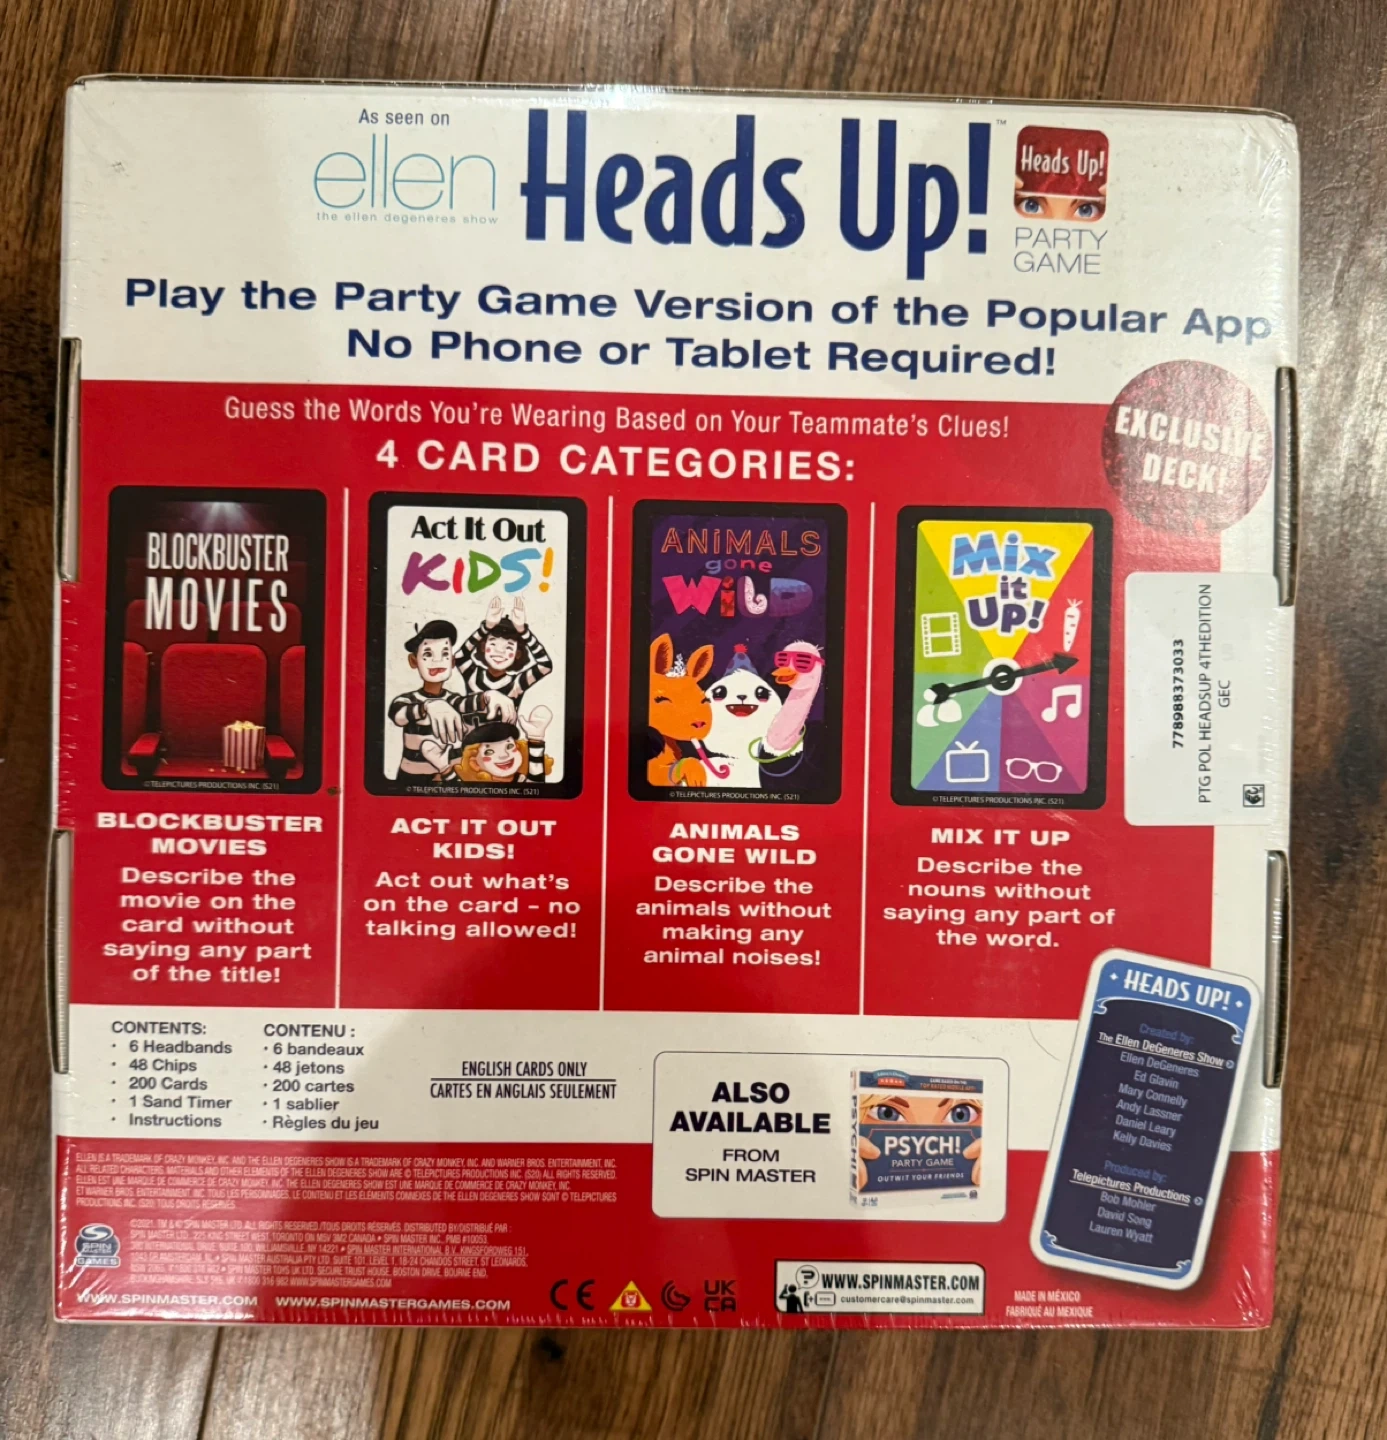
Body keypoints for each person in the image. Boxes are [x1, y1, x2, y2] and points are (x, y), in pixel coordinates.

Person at [388, 619, 514, 784]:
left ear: (452, 662)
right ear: (413, 661)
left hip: (452, 779)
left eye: (445, 654)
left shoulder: (452, 699)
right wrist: (427, 707)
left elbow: (467, 703)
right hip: (413, 781)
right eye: (428, 654)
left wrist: (489, 696)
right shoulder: (407, 700)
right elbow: (398, 715)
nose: (438, 661)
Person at [454, 595, 554, 712]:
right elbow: (459, 657)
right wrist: (485, 628)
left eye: (509, 647)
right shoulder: (472, 673)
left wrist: (524, 632)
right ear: (483, 647)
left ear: (517, 654)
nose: (500, 651)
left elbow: (545, 666)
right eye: (493, 644)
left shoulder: (516, 684)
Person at [447, 707, 554, 785]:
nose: (504, 755)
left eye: (509, 746)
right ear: (474, 763)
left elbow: (537, 791)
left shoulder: (521, 780)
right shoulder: (471, 786)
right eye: (489, 752)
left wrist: (535, 739)